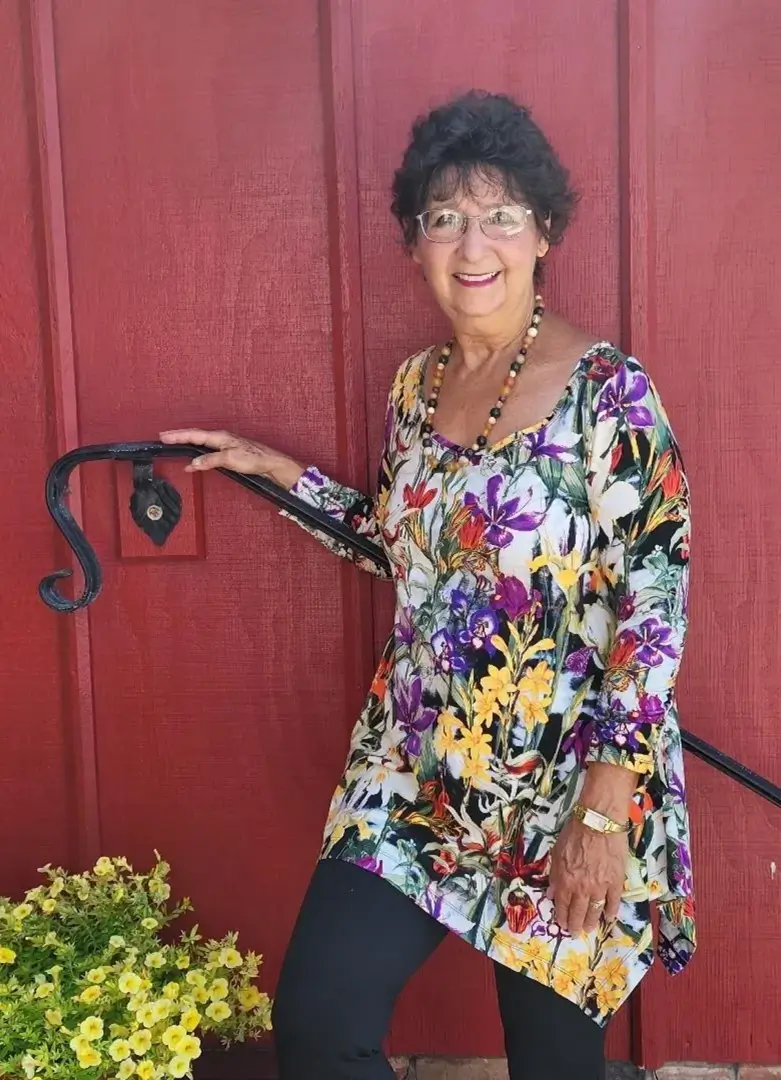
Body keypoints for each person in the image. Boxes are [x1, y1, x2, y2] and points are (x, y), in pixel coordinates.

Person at [161, 90, 695, 1080]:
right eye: (444, 218)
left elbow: (652, 598)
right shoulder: (414, 388)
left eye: (499, 214)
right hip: (412, 770)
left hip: (563, 783)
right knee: (318, 1019)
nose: (471, 241)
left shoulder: (609, 392)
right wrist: (284, 479)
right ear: (414, 244)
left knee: (552, 1067)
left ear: (542, 233)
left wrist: (601, 811)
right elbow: (410, 556)